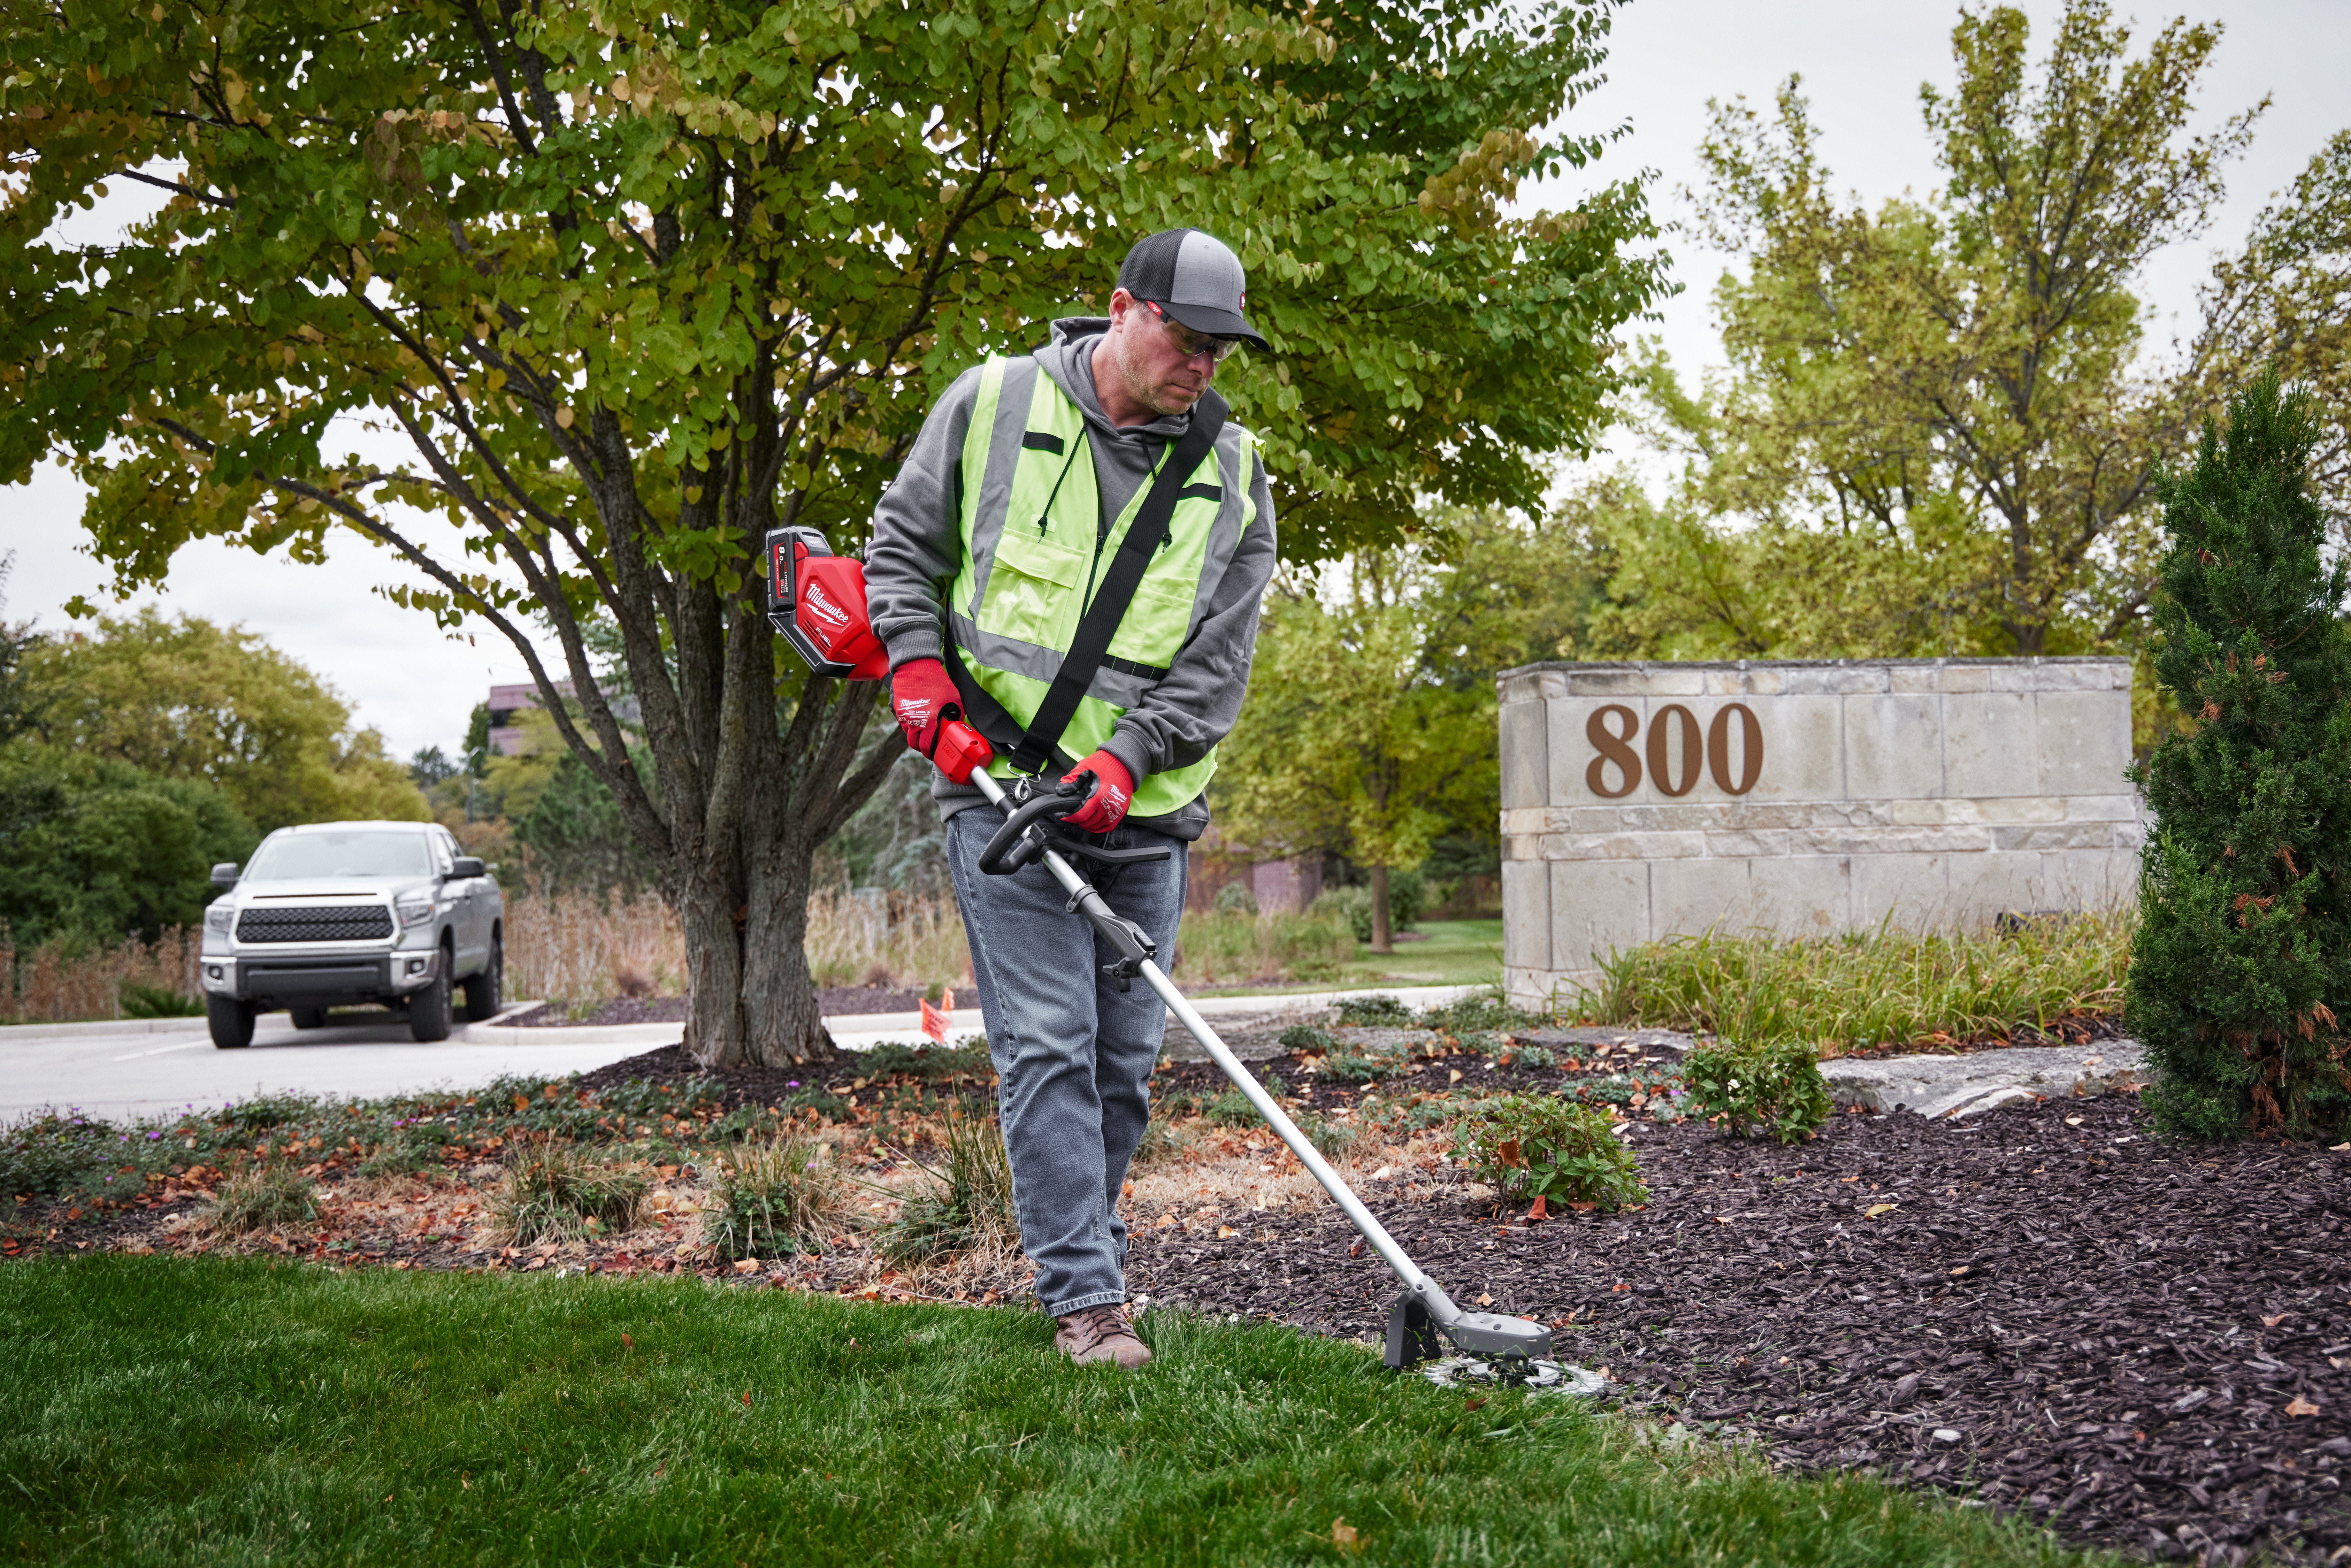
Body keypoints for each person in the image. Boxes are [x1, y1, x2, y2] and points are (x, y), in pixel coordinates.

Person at [864, 228, 1277, 1369]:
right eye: (1185, 341)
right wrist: (916, 667)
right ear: (1121, 310)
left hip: (1138, 814)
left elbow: (1215, 665)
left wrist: (1128, 762)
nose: (1201, 366)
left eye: (1219, 351)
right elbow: (904, 549)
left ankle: (1071, 1247)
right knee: (1048, 1041)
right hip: (995, 787)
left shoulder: (1234, 475)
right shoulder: (991, 404)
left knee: (1121, 1063)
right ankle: (1088, 1302)